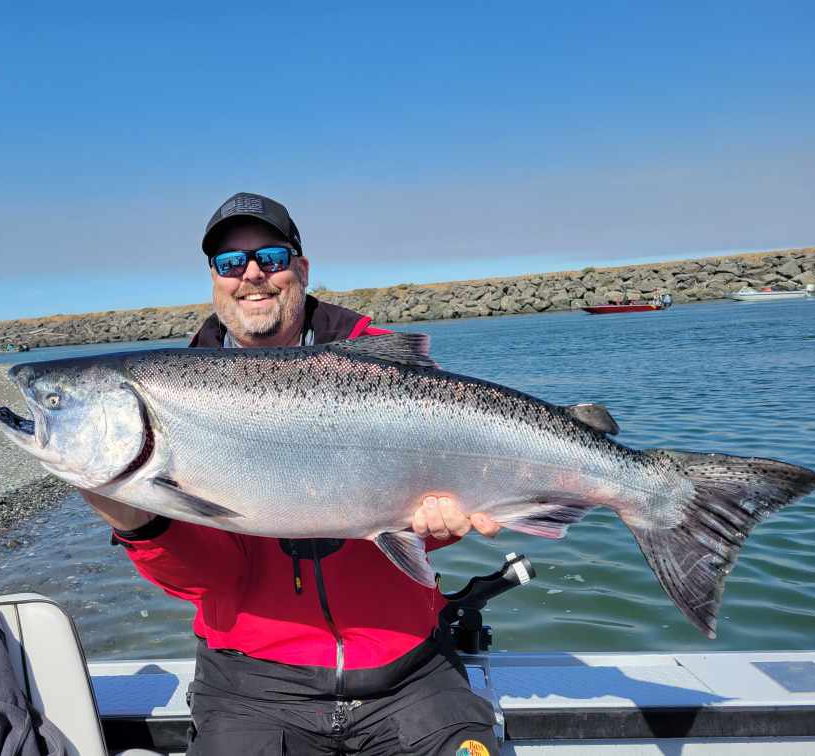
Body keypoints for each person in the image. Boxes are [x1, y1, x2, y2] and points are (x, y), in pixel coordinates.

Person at [81, 192, 504, 755]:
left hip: (411, 668)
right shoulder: (178, 395)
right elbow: (211, 580)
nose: (252, 274)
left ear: (301, 268)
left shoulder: (381, 367)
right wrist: (136, 523)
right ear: (215, 280)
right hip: (250, 686)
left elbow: (427, 513)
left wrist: (438, 528)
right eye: (231, 262)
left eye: (271, 258)